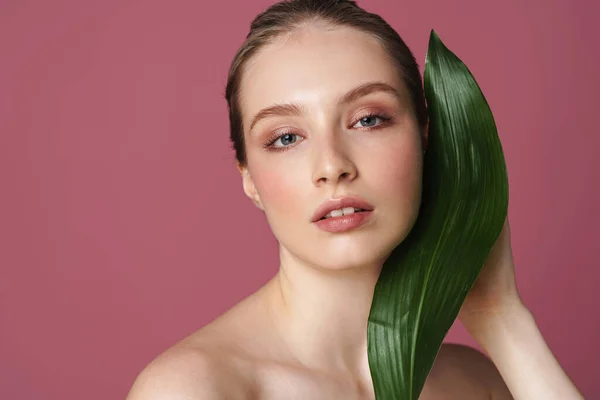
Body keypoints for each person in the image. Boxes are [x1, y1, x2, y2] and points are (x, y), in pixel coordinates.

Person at [126, 0, 584, 398]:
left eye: (368, 120)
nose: (332, 166)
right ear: (248, 179)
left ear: (427, 142)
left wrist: (501, 317)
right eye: (286, 138)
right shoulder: (195, 389)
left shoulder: (476, 382)